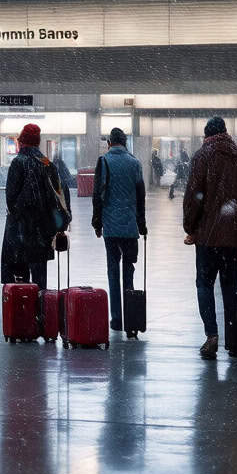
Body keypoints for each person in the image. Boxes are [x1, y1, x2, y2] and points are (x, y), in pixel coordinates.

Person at [183, 116, 237, 361]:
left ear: (207, 135)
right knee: (231, 288)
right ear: (226, 133)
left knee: (204, 284)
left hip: (209, 236)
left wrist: (190, 227)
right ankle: (234, 342)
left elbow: (194, 196)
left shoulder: (202, 156)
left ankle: (211, 336)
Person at [1, 124, 69, 292]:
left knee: (21, 281)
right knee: (40, 281)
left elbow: (10, 199)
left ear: (23, 142)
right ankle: (41, 312)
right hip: (42, 232)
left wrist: (20, 210)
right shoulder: (47, 164)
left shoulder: (18, 163)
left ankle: (25, 313)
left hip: (20, 232)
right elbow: (58, 196)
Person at [92, 128, 146, 336]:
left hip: (111, 228)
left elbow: (98, 195)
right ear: (125, 143)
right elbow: (140, 198)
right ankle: (131, 323)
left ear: (109, 143)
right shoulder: (135, 163)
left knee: (113, 272)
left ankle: (116, 319)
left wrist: (97, 223)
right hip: (130, 228)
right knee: (129, 272)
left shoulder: (103, 162)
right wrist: (142, 224)